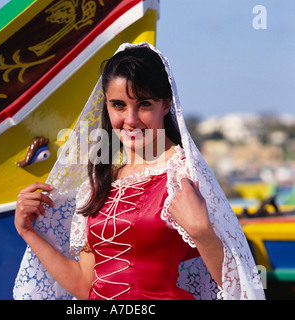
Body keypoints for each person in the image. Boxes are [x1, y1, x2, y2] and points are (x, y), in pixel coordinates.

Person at [13, 42, 265, 300]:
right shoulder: (99, 182)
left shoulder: (184, 174)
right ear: (107, 106)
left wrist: (202, 233)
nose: (131, 119)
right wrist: (28, 232)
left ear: (166, 105)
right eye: (119, 105)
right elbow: (85, 286)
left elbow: (241, 286)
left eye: (143, 104)